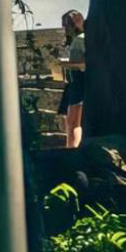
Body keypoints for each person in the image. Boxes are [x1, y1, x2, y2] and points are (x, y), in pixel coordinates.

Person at [57, 10, 87, 148]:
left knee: (75, 120)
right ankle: (69, 146)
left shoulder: (81, 39)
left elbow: (85, 64)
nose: (64, 28)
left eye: (66, 25)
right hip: (73, 81)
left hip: (79, 81)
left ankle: (73, 148)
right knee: (69, 119)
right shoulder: (75, 40)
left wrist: (65, 64)